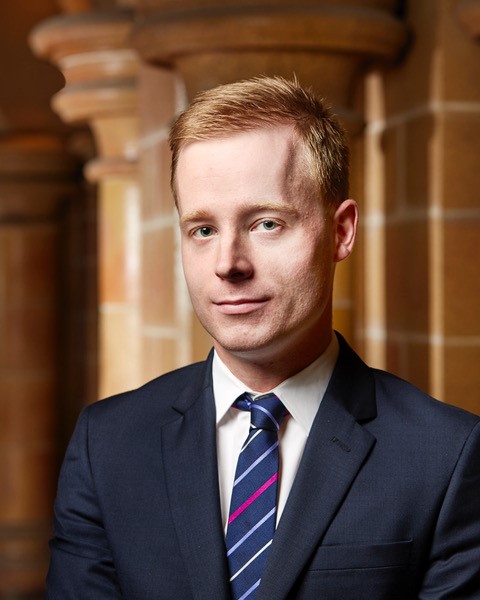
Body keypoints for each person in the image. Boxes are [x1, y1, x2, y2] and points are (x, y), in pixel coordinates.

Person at [45, 76, 480, 599]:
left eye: (266, 223)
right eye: (202, 230)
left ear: (341, 232)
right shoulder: (107, 446)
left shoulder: (446, 456)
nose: (228, 264)